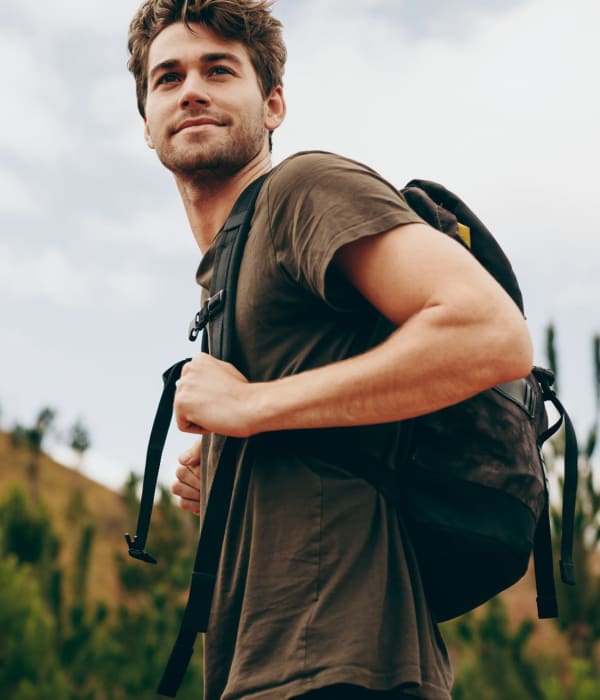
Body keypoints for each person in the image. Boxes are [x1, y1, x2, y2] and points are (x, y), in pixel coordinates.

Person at [127, 1, 533, 698]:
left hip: (347, 668)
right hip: (263, 669)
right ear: (146, 124)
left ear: (274, 103)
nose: (190, 88)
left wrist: (252, 406)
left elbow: (490, 334)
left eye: (218, 70)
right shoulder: (224, 271)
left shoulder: (302, 190)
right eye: (167, 78)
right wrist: (238, 460)